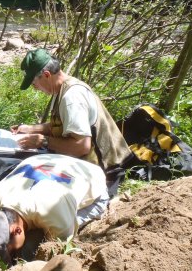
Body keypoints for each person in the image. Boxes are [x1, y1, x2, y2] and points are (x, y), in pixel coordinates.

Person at [13, 48, 132, 193]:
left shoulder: (72, 98)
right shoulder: (60, 90)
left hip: (103, 172)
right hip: (82, 163)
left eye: (34, 84)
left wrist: (43, 141)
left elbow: (82, 146)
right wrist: (30, 129)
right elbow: (62, 125)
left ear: (46, 75)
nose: (35, 89)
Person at [0, 153, 108, 267]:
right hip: (44, 159)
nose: (10, 256)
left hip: (91, 177)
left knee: (31, 250)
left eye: (9, 252)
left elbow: (58, 250)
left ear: (17, 230)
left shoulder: (55, 216)